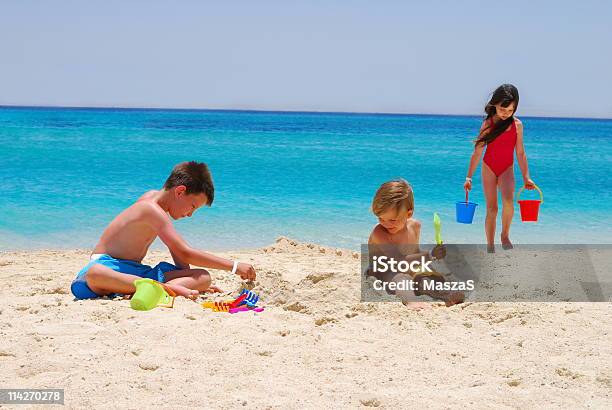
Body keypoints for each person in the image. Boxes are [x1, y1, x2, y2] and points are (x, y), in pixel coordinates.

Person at [70, 161, 256, 300]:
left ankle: (148, 289)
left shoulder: (156, 204)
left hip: (135, 273)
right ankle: (161, 288)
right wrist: (234, 266)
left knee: (203, 277)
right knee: (96, 274)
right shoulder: (150, 208)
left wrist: (188, 276)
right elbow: (184, 251)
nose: (190, 214)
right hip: (109, 267)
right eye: (192, 206)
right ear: (180, 191)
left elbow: (175, 249)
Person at [367, 179, 465, 308]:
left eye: (392, 219)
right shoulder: (379, 233)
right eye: (380, 218)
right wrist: (430, 255)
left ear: (409, 214)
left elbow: (414, 253)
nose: (386, 223)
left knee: (425, 278)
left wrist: (431, 262)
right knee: (401, 279)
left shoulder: (415, 226)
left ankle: (447, 295)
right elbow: (398, 261)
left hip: (405, 267)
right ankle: (411, 301)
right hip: (383, 271)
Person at [463, 84, 536, 253]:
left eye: (510, 110)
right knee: (492, 208)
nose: (506, 114)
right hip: (489, 167)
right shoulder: (488, 124)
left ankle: (504, 235)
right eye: (503, 109)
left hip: (506, 168)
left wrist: (527, 177)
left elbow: (520, 153)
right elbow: (477, 152)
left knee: (509, 203)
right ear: (495, 104)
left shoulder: (517, 125)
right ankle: (490, 245)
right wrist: (469, 177)